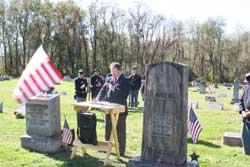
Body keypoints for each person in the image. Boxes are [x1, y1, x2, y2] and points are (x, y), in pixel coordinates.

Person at [95, 62, 130, 156]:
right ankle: (106, 147)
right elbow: (102, 90)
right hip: (109, 109)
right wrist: (97, 99)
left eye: (114, 71)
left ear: (119, 70)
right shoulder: (109, 78)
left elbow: (124, 95)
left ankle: (121, 151)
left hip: (120, 111)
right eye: (111, 71)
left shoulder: (125, 80)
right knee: (108, 129)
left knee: (120, 132)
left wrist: (113, 89)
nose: (112, 73)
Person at [239, 72, 250, 155]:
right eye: (247, 82)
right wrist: (242, 111)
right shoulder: (245, 89)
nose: (247, 84)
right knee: (244, 135)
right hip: (245, 118)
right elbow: (241, 101)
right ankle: (247, 152)